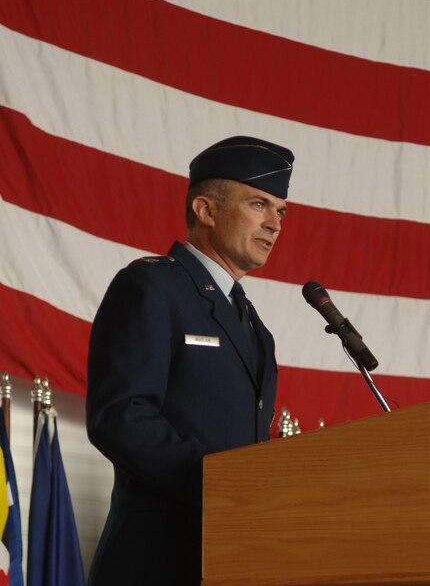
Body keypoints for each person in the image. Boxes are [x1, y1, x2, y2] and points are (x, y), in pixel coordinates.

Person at [86, 136, 294, 585]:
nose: (274, 223)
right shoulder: (152, 287)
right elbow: (120, 415)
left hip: (232, 561)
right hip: (156, 562)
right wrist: (221, 484)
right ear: (206, 210)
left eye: (281, 211)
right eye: (259, 204)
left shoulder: (256, 328)